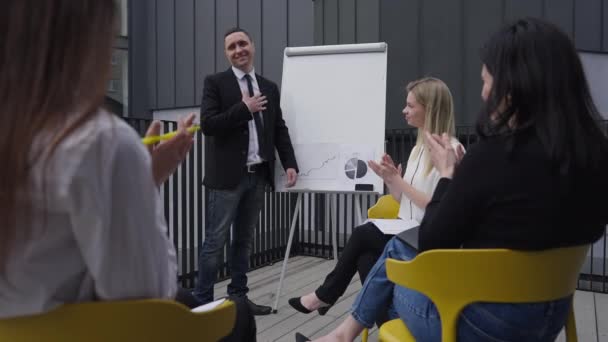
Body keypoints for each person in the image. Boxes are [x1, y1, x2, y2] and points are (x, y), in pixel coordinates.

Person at [297, 17, 608, 342]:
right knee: (384, 251)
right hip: (552, 316)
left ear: (514, 87)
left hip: (479, 323)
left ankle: (341, 334)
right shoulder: (595, 155)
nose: (485, 93)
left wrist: (449, 176)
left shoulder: (491, 156)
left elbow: (433, 240)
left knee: (394, 255)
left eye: (487, 82)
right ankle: (340, 334)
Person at [0, 2, 256, 340]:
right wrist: (144, 185)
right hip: (94, 330)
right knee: (239, 318)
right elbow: (148, 289)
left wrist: (139, 178)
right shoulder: (98, 141)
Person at [288, 78, 462, 320]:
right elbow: (404, 202)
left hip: (426, 242)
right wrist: (391, 179)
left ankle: (325, 295)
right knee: (365, 257)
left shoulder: (452, 151)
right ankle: (387, 321)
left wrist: (399, 182)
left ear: (430, 108)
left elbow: (439, 208)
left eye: (411, 106)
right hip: (407, 233)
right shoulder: (418, 148)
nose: (404, 111)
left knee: (362, 234)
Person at [193, 27, 299, 316]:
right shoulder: (215, 83)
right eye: (232, 47)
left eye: (242, 44)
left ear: (252, 46)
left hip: (257, 176)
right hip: (226, 179)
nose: (238, 49)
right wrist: (244, 108)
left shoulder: (269, 87)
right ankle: (202, 303)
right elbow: (208, 125)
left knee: (244, 242)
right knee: (214, 242)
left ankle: (238, 300)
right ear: (227, 53)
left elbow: (278, 128)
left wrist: (290, 163)